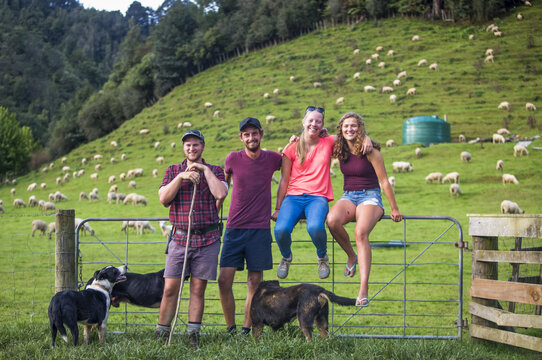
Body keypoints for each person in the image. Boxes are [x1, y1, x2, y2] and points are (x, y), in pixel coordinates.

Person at [271, 106, 372, 280]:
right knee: (280, 229)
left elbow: (351, 136)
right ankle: (286, 257)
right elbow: (284, 180)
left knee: (316, 227)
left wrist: (367, 138)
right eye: (310, 120)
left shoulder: (329, 141)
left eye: (318, 121)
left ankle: (322, 257)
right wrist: (278, 208)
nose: (314, 124)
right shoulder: (291, 148)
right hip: (293, 197)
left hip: (318, 197)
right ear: (303, 122)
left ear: (323, 125)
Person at [156, 129, 228, 347]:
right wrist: (181, 177)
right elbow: (163, 199)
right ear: (183, 148)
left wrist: (204, 170)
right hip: (180, 239)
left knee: (198, 289)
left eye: (196, 144)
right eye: (188, 145)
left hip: (207, 240)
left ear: (202, 146)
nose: (191, 148)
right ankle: (161, 334)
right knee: (170, 288)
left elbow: (221, 194)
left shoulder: (215, 171)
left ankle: (192, 336)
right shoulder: (172, 170)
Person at [326, 112, 402, 307]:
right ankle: (352, 255)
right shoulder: (339, 148)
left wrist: (394, 208)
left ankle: (363, 289)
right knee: (332, 220)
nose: (350, 129)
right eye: (346, 126)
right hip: (349, 196)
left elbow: (384, 180)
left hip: (370, 196)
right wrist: (295, 139)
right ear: (341, 130)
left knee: (360, 232)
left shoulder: (370, 151)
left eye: (354, 126)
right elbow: (315, 137)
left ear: (360, 128)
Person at [218, 117, 282, 335]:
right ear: (241, 137)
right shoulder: (232, 158)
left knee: (255, 283)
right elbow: (223, 186)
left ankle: (247, 329)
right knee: (223, 280)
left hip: (260, 228)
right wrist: (217, 208)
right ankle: (230, 329)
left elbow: (295, 161)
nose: (251, 137)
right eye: (247, 134)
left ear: (261, 135)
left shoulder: (273, 158)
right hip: (234, 227)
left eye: (255, 133)